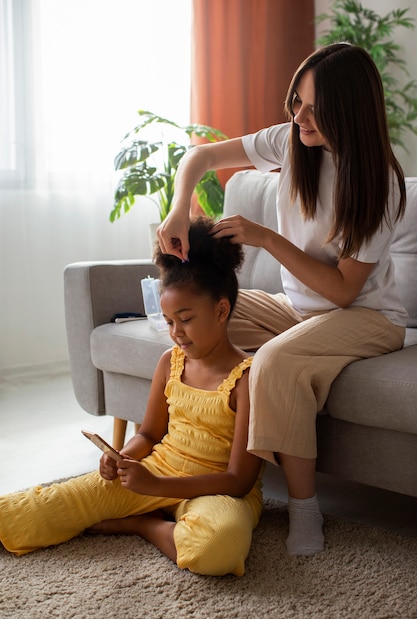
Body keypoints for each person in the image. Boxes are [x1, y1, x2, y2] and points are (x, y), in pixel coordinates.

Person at [157, 43, 408, 556]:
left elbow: (342, 289)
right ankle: (187, 457)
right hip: (297, 309)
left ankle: (304, 507)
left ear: (351, 111)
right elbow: (200, 155)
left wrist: (268, 238)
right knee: (207, 314)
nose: (299, 116)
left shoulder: (379, 184)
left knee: (275, 361)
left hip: (368, 317)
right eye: (297, 101)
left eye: (315, 108)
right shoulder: (291, 142)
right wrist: (179, 208)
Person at [0, 216, 263, 577]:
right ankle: (145, 511)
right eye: (169, 321)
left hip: (217, 493)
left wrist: (155, 490)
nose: (176, 333)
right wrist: (122, 458)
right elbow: (150, 435)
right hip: (157, 471)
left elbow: (239, 480)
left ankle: (143, 524)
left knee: (216, 546)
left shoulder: (248, 378)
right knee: (38, 507)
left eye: (185, 319)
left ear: (221, 310)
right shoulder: (169, 362)